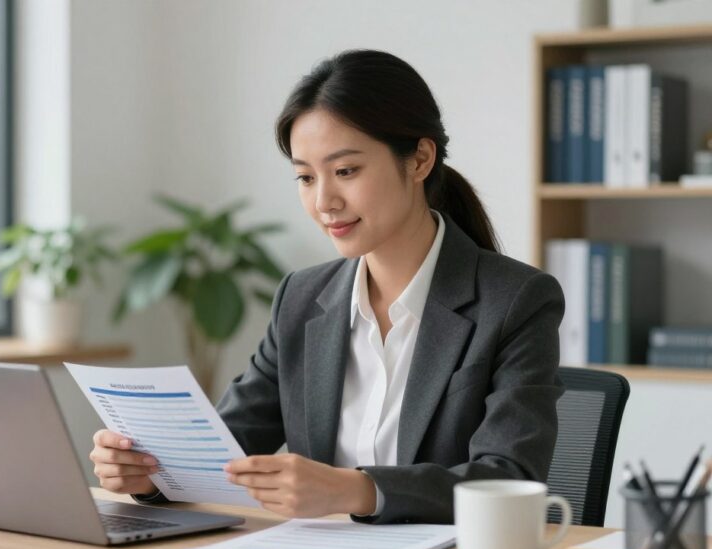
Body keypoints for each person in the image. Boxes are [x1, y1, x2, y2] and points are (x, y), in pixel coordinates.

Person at [89, 49, 564, 524]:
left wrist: (360, 490)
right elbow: (225, 450)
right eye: (304, 177)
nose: (324, 202)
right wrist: (150, 474)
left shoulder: (515, 301)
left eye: (346, 171)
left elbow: (509, 479)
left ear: (419, 159)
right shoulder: (301, 298)